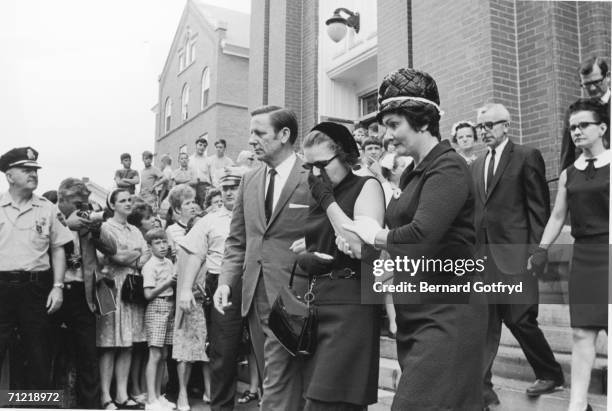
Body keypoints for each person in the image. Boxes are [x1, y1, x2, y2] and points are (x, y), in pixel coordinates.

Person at [342, 68, 488, 410]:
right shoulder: (413, 171)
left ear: (421, 121)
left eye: (394, 124)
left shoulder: (448, 167)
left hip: (449, 313)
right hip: (418, 312)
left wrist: (373, 235)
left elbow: (421, 235)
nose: (388, 135)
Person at [214, 105, 311, 411]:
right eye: (250, 132)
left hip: (295, 296)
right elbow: (237, 240)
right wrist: (226, 282)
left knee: (280, 379)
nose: (251, 139)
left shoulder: (312, 178)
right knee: (273, 373)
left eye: (259, 133)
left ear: (284, 135)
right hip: (254, 297)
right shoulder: (249, 180)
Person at [470, 103, 564, 406]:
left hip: (516, 253)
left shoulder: (526, 156)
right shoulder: (476, 164)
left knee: (521, 317)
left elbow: (539, 208)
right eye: (480, 127)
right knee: (485, 320)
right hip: (484, 258)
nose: (484, 132)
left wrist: (538, 251)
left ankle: (550, 373)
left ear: (506, 125)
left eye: (489, 125)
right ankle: (483, 387)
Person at [528, 99, 609, 411]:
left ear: (602, 128)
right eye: (572, 127)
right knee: (580, 331)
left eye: (583, 125)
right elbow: (557, 217)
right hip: (585, 257)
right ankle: (577, 404)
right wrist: (541, 249)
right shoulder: (568, 174)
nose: (576, 131)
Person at [299, 122, 385, 409]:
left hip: (352, 305)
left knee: (328, 402)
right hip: (320, 303)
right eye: (309, 167)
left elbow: (361, 245)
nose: (315, 175)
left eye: (322, 164)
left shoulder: (366, 186)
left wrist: (326, 199)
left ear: (344, 155)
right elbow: (311, 245)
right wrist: (305, 259)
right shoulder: (320, 193)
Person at [0, 147, 72, 389]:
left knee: (38, 352)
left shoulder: (47, 208)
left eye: (34, 170)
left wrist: (58, 287)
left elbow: (58, 248)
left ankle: (36, 405)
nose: (33, 174)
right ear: (10, 176)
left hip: (35, 288)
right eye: (26, 169)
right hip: (1, 288)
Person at [178, 173, 244, 411]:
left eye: (235, 187)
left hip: (255, 282)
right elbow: (195, 254)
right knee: (222, 352)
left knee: (264, 348)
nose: (229, 192)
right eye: (225, 188)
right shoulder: (210, 220)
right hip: (219, 285)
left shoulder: (258, 215)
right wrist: (185, 289)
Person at [56, 177, 115, 408]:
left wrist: (97, 229)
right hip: (56, 291)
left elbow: (113, 248)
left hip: (84, 293)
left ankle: (89, 405)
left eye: (86, 202)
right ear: (62, 200)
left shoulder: (88, 218)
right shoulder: (50, 215)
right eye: (78, 202)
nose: (84, 207)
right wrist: (65, 225)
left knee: (88, 355)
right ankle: (52, 403)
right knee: (54, 352)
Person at [96, 189, 149, 410]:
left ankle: (121, 393)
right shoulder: (105, 228)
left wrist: (131, 255)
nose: (128, 203)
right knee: (109, 344)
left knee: (127, 345)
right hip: (109, 287)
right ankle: (105, 395)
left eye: (130, 200)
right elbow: (114, 256)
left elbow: (145, 257)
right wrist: (133, 254)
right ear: (113, 205)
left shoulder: (135, 229)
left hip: (131, 288)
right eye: (122, 200)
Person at [142, 228, 177, 411]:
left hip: (169, 307)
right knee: (155, 354)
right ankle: (150, 399)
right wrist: (167, 283)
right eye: (157, 243)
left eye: (164, 242)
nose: (162, 246)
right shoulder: (150, 266)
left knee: (163, 354)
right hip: (157, 306)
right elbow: (148, 294)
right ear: (150, 246)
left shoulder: (169, 262)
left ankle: (158, 395)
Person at [561, 56, 610, 171]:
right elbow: (567, 154)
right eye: (587, 84)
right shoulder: (573, 112)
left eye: (596, 82)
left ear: (608, 77)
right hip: (587, 179)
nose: (592, 88)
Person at [189, 137, 212, 206]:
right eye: (200, 145)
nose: (202, 147)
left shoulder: (208, 160)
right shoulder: (189, 159)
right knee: (192, 206)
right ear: (196, 145)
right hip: (192, 187)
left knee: (204, 207)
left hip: (204, 187)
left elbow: (212, 176)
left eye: (204, 146)